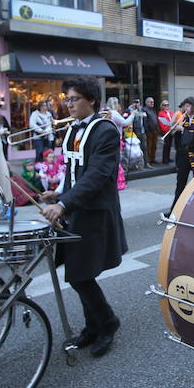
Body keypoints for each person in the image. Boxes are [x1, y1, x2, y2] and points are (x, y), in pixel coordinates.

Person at [39, 75, 128, 358]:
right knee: (79, 274)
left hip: (95, 213)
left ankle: (107, 323)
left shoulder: (106, 131)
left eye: (74, 99)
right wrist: (59, 192)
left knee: (80, 275)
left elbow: (97, 176)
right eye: (66, 99)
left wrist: (64, 204)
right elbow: (75, 172)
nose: (68, 104)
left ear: (91, 100)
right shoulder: (73, 130)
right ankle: (94, 326)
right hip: (77, 209)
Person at [163, 97, 194, 220]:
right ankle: (174, 211)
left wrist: (183, 130)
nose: (185, 109)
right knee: (180, 184)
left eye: (188, 106)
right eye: (185, 106)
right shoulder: (184, 120)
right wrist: (174, 131)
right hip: (184, 156)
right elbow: (181, 142)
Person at [104, 97, 133, 190]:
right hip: (115, 139)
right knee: (117, 161)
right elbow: (125, 122)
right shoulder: (114, 113)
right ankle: (117, 183)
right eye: (117, 104)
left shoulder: (105, 112)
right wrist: (133, 115)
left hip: (107, 139)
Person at [127, 99, 150, 168]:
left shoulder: (142, 110)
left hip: (142, 132)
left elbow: (146, 118)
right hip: (134, 133)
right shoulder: (129, 110)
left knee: (144, 148)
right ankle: (136, 165)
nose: (137, 104)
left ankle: (146, 163)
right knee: (135, 150)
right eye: (135, 102)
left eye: (138, 103)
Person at [157, 100, 176, 165]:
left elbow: (173, 120)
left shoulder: (171, 112)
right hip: (166, 131)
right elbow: (161, 123)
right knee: (166, 145)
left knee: (169, 145)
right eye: (164, 105)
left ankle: (168, 158)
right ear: (162, 106)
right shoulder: (161, 113)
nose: (166, 106)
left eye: (167, 105)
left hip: (171, 130)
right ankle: (164, 159)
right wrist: (166, 129)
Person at [142, 97, 160, 165]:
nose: (152, 103)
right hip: (149, 131)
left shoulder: (153, 110)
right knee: (149, 145)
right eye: (150, 102)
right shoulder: (144, 110)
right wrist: (147, 130)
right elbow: (145, 122)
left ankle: (153, 158)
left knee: (154, 145)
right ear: (147, 103)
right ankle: (149, 160)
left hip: (155, 130)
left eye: (153, 102)